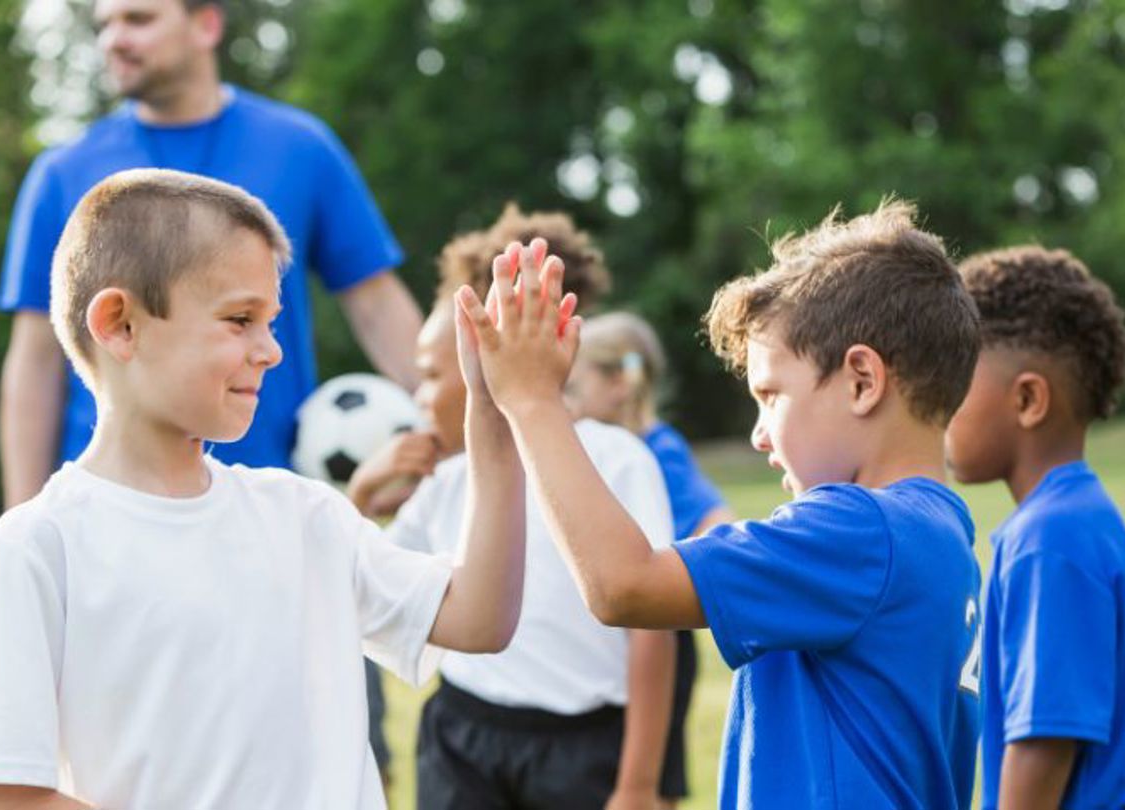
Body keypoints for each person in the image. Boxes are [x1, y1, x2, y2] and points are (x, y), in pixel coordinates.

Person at [0, 170, 526, 810]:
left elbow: (480, 618)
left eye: (271, 322)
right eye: (240, 319)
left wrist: (495, 423)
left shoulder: (303, 515)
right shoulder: (42, 544)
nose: (271, 351)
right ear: (119, 325)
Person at [456, 199, 985, 808]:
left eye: (771, 395)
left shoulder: (859, 530)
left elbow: (623, 585)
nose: (760, 434)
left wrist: (531, 401)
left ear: (862, 381)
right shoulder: (944, 536)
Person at [0, 0, 422, 510]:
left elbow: (377, 306)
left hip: (270, 494)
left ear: (206, 24)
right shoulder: (62, 173)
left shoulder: (301, 147)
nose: (114, 39)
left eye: (139, 19)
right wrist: (22, 513)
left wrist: (453, 432)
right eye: (104, 24)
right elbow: (35, 359)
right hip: (111, 499)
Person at [352, 211, 676, 810]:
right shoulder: (444, 478)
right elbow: (370, 585)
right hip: (463, 738)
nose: (418, 396)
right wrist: (361, 499)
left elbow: (653, 635)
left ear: (480, 358)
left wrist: (637, 784)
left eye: (428, 374)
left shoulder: (616, 457)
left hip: (582, 749)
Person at [945, 246, 1125, 810]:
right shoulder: (1070, 517)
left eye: (957, 377)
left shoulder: (1049, 539)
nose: (941, 401)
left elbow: (1044, 742)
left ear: (1028, 399)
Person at [566, 311, 737, 807]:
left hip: (658, 636)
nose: (567, 403)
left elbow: (715, 521)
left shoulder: (657, 451)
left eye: (574, 387)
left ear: (620, 383)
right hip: (614, 634)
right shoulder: (604, 448)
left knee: (655, 773)